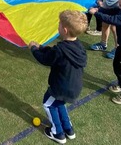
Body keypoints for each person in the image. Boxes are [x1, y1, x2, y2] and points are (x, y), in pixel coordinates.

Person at [29, 10, 87, 144]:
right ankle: (68, 129)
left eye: (60, 24)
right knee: (59, 103)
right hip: (74, 86)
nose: (58, 26)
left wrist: (34, 49)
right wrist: (42, 47)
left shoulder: (60, 49)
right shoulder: (78, 46)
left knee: (48, 104)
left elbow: (45, 59)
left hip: (61, 87)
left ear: (65, 30)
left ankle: (57, 133)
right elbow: (53, 52)